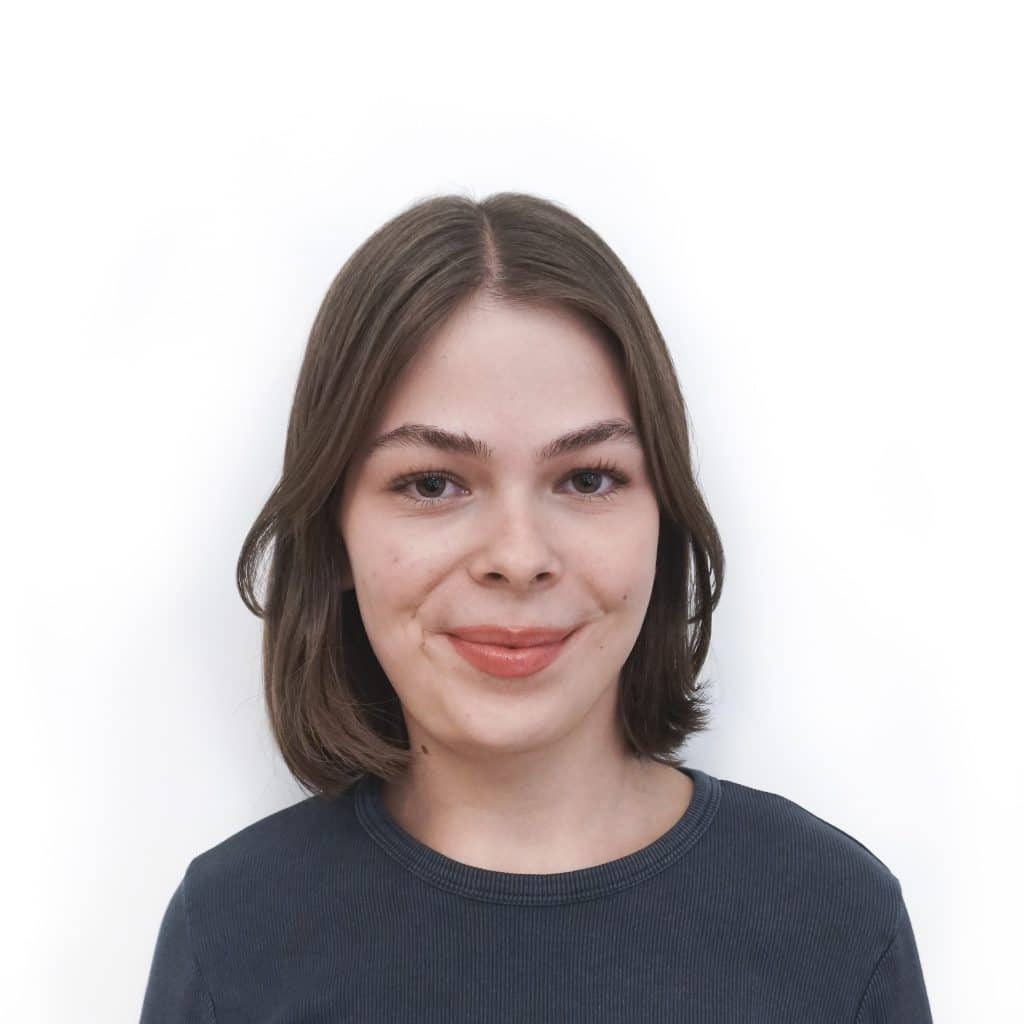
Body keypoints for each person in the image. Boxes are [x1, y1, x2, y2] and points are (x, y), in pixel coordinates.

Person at [139, 192, 933, 1022]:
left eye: (587, 479)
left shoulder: (836, 923)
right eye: (431, 484)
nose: (519, 558)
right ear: (334, 535)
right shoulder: (231, 934)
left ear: (663, 520)